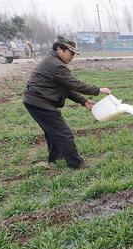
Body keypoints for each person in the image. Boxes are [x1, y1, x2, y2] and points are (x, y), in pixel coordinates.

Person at [23, 35, 112, 169]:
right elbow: (76, 85)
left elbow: (66, 89)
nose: (72, 56)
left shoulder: (52, 61)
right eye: (71, 53)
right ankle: (76, 164)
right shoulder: (56, 65)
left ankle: (55, 159)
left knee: (53, 131)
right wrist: (98, 90)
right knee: (64, 133)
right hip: (40, 103)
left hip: (35, 101)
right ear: (60, 50)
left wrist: (84, 101)